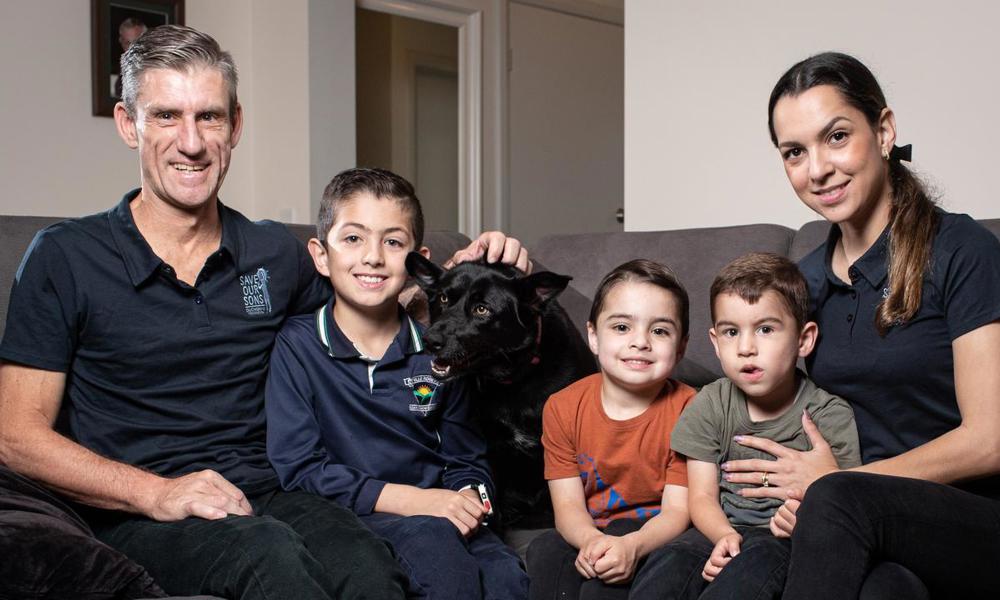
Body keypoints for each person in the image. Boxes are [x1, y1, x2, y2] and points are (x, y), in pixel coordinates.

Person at [0, 24, 525, 599]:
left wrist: (468, 277)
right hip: (142, 509)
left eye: (209, 117)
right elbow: (15, 435)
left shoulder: (274, 252)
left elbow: (370, 303)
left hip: (273, 491)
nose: (192, 142)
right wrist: (156, 493)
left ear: (235, 125)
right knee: (267, 557)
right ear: (129, 124)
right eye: (166, 116)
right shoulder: (65, 256)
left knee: (368, 565)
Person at [719, 51, 1000, 599]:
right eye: (794, 152)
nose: (817, 169)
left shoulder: (962, 252)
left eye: (837, 137)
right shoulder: (803, 284)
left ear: (884, 131)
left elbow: (989, 440)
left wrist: (836, 483)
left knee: (837, 505)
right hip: (851, 518)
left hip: (973, 516)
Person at [265, 167, 529, 600]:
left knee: (505, 577)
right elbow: (300, 467)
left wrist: (470, 498)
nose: (372, 257)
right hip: (360, 518)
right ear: (320, 255)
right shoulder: (297, 346)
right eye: (353, 238)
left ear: (416, 263)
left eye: (392, 242)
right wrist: (418, 502)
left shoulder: (440, 354)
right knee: (440, 558)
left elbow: (466, 457)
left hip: (442, 511)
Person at [630, 252, 861, 600]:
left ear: (804, 339)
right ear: (715, 342)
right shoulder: (709, 403)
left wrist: (804, 518)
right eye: (731, 332)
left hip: (781, 539)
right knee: (668, 566)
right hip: (717, 527)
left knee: (754, 568)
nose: (746, 348)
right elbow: (702, 496)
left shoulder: (830, 414)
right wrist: (723, 536)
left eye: (765, 329)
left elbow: (845, 501)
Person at [526, 259, 696, 600]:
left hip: (656, 535)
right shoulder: (562, 407)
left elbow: (678, 512)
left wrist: (631, 545)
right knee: (545, 549)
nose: (640, 342)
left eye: (660, 331)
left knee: (607, 576)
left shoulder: (690, 409)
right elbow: (568, 506)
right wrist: (590, 540)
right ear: (593, 336)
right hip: (592, 531)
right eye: (621, 327)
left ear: (680, 348)